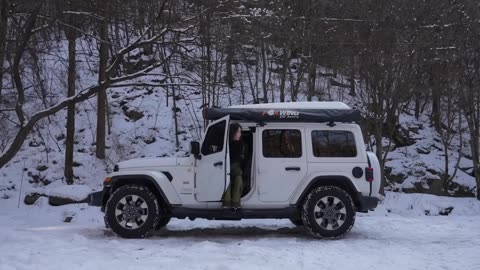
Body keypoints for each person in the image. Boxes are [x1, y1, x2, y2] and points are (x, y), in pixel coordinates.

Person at [223, 123, 244, 209]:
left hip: (236, 167)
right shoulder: (226, 143)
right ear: (233, 132)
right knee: (226, 181)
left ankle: (236, 203)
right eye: (238, 132)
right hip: (225, 166)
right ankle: (226, 203)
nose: (240, 134)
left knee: (238, 180)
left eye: (240, 132)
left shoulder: (241, 144)